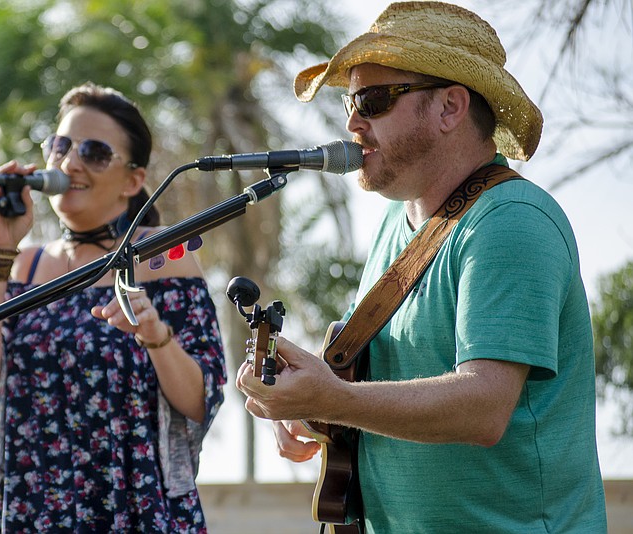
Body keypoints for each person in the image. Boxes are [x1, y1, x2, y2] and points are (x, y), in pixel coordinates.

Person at [236, 2, 607, 533]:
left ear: (450, 107)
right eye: (349, 100)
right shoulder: (395, 222)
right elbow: (378, 379)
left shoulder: (510, 222)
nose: (350, 121)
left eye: (373, 99)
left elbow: (482, 407)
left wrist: (334, 399)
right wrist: (309, 404)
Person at [0, 82, 226, 533]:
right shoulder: (20, 263)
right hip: (31, 504)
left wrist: (156, 335)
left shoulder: (161, 256)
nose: (69, 162)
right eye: (60, 146)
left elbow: (202, 398)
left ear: (133, 181)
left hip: (131, 503)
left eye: (94, 152)